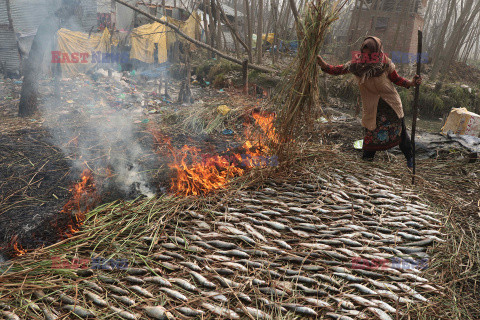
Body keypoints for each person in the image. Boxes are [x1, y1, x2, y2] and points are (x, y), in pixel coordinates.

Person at [317, 36, 422, 168]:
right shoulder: (356, 65)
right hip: (372, 108)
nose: (366, 55)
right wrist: (323, 65)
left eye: (370, 52)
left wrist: (411, 83)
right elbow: (337, 70)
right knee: (370, 138)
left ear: (376, 51)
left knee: (401, 135)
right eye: (364, 51)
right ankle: (366, 165)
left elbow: (397, 79)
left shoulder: (385, 63)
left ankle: (410, 159)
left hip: (391, 105)